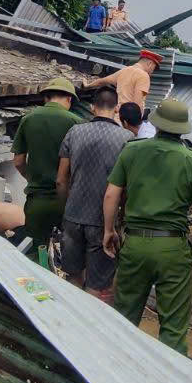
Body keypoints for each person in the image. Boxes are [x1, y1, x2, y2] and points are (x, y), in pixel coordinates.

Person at [102, 98, 192, 354]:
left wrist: (109, 231)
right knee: (174, 329)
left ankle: (116, 376)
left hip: (135, 245)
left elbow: (111, 195)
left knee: (123, 319)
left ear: (155, 124)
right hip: (173, 250)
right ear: (183, 129)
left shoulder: (132, 150)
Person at [56, 86, 133, 301]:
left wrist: (66, 209)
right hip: (103, 222)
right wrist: (121, 219)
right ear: (117, 108)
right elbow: (126, 187)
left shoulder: (75, 132)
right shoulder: (127, 139)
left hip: (73, 215)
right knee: (97, 286)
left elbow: (61, 179)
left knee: (73, 276)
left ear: (92, 107)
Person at [11, 77, 82, 259]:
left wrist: (33, 177)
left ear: (46, 98)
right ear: (69, 99)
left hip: (37, 201)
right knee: (67, 256)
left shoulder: (28, 119)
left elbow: (18, 161)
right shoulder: (76, 123)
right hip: (67, 203)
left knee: (37, 253)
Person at [83, 50, 160, 117]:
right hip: (128, 120)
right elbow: (137, 105)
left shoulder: (124, 70)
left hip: (116, 116)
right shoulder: (144, 75)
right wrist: (137, 124)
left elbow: (102, 81)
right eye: (153, 68)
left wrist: (87, 86)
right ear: (150, 63)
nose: (152, 72)